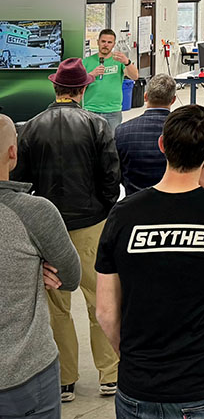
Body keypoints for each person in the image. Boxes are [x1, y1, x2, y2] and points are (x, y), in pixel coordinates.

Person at [95, 104, 204, 419]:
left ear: (162, 145)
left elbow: (104, 312)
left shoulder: (123, 214)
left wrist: (132, 361)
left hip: (137, 389)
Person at [11, 58, 120, 402]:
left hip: (46, 229)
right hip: (90, 225)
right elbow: (111, 180)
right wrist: (101, 209)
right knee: (97, 301)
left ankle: (66, 380)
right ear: (83, 89)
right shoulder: (97, 125)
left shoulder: (29, 128)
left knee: (57, 305)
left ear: (55, 87)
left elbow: (20, 181)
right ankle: (110, 375)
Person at [0, 113, 82, 419]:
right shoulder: (36, 213)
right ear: (13, 153)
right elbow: (70, 276)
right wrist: (38, 264)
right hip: (28, 376)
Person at [115, 73, 176, 196]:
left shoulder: (122, 131)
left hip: (134, 204)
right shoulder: (183, 131)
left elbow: (116, 173)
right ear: (173, 100)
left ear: (145, 97)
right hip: (176, 204)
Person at [81, 28, 138, 131]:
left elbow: (135, 76)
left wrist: (127, 62)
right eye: (103, 41)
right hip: (91, 110)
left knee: (111, 144)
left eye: (109, 42)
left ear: (113, 44)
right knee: (91, 144)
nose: (106, 45)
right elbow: (78, 85)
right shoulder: (86, 62)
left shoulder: (119, 61)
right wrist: (91, 75)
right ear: (98, 42)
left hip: (113, 111)